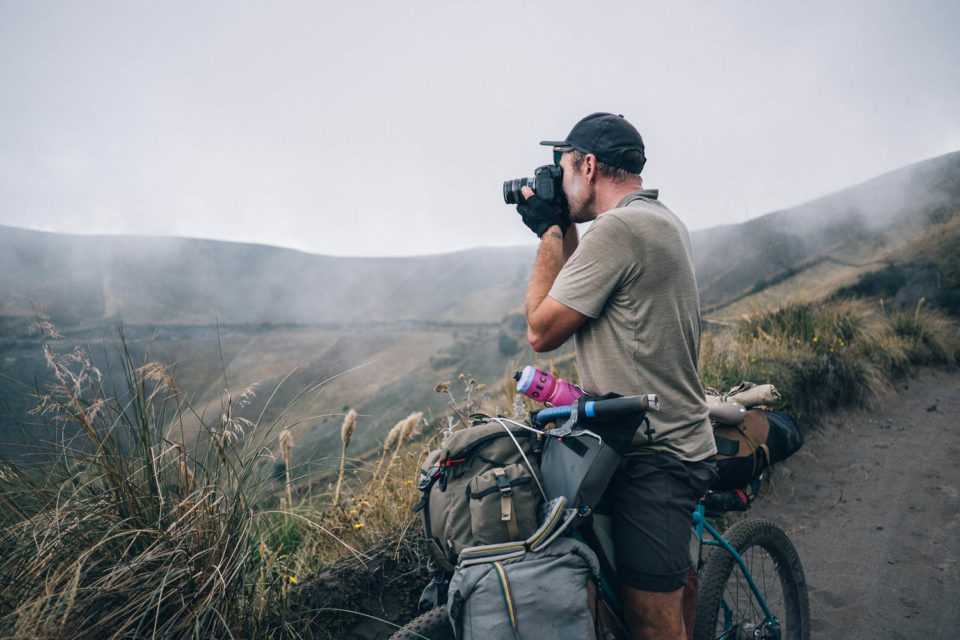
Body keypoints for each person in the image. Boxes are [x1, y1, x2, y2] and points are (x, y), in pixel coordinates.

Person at [514, 112, 717, 640]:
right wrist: (569, 227)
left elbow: (541, 330)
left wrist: (550, 231)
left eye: (562, 171)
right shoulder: (656, 218)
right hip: (650, 434)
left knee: (654, 629)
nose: (558, 183)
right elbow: (588, 280)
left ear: (588, 165)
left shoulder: (621, 230)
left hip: (656, 455)